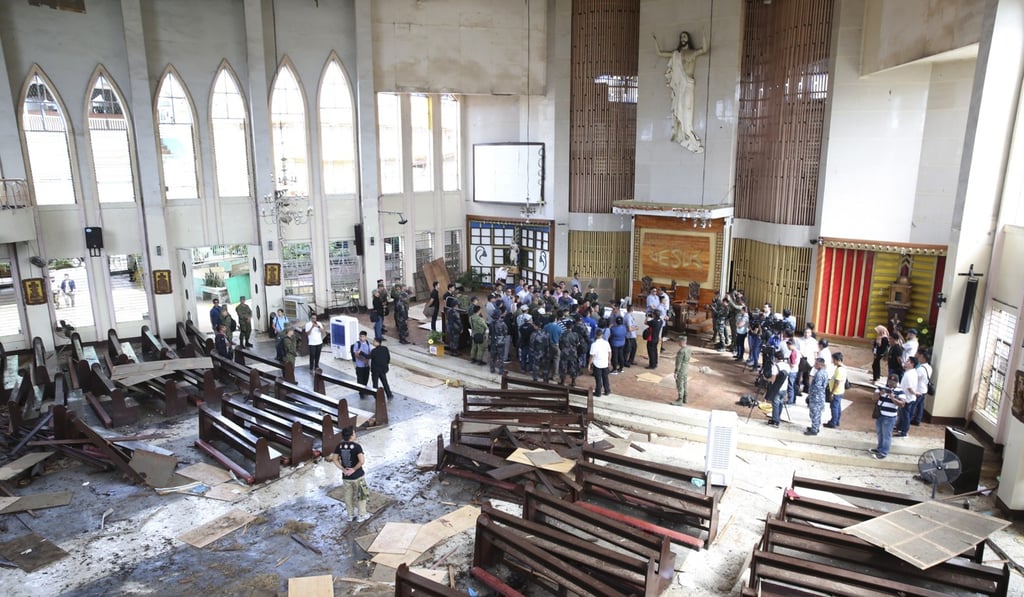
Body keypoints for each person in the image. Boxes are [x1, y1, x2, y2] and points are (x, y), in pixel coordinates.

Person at [653, 30, 709, 152]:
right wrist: (655, 41)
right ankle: (679, 132)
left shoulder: (692, 53)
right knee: (678, 108)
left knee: (687, 109)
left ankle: (687, 132)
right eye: (681, 37)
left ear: (688, 38)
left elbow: (704, 50)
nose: (683, 38)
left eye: (684, 36)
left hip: (688, 84)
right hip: (679, 86)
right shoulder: (676, 54)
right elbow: (660, 53)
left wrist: (704, 34)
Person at [326, 427, 370, 522]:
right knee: (361, 495)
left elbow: (334, 459)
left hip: (346, 477)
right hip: (358, 476)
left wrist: (343, 469)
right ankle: (362, 514)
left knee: (348, 496)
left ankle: (350, 515)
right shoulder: (357, 447)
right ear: (351, 436)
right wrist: (353, 469)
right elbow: (362, 461)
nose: (355, 435)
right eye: (354, 433)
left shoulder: (339, 446)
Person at [871, 374, 905, 460]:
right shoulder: (881, 387)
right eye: (890, 382)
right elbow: (873, 398)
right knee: (879, 433)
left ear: (897, 383)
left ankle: (884, 452)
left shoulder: (900, 391)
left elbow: (902, 404)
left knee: (887, 435)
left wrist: (892, 397)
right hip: (880, 414)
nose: (891, 384)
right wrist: (880, 393)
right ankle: (879, 448)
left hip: (889, 417)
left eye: (893, 383)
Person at [895, 356, 920, 438]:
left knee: (905, 416)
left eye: (908, 361)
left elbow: (909, 388)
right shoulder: (911, 372)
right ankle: (900, 428)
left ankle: (904, 432)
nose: (906, 362)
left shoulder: (909, 374)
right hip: (909, 398)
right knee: (903, 415)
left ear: (912, 364)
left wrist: (915, 393)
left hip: (907, 398)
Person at [805, 357, 828, 435]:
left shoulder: (819, 374)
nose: (814, 365)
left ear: (820, 365)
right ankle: (815, 427)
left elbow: (817, 387)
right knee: (817, 413)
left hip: (816, 397)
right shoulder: (824, 372)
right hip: (819, 396)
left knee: (815, 413)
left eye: (816, 363)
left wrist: (810, 395)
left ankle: (814, 429)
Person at [765, 350, 789, 428]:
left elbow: (773, 379)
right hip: (784, 388)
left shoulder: (776, 367)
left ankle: (775, 421)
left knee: (775, 404)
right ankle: (777, 417)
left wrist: (766, 379)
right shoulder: (787, 366)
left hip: (777, 388)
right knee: (780, 404)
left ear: (776, 358)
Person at [824, 352, 847, 429]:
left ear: (838, 360)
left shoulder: (839, 370)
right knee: (837, 407)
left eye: (834, 360)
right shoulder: (842, 368)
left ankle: (833, 422)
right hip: (840, 391)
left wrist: (832, 393)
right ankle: (836, 421)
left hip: (836, 392)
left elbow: (837, 382)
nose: (832, 361)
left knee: (834, 407)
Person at [589, 328, 612, 398]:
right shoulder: (606, 343)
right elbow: (610, 352)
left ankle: (598, 392)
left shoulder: (594, 344)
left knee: (598, 379)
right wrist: (609, 361)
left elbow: (592, 356)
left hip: (597, 364)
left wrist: (589, 364)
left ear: (596, 335)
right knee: (605, 378)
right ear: (602, 335)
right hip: (605, 363)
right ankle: (607, 390)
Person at [912, 350, 933, 425]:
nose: (919, 358)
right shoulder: (929, 367)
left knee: (913, 406)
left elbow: (915, 378)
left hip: (918, 389)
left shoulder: (920, 369)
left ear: (924, 359)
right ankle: (918, 419)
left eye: (921, 357)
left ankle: (911, 418)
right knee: (920, 406)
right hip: (924, 389)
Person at [672, 335, 692, 405]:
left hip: (681, 369)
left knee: (680, 384)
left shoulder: (681, 351)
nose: (678, 343)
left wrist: (676, 372)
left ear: (681, 342)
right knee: (685, 383)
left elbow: (678, 363)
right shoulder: (689, 349)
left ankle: (680, 399)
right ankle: (685, 398)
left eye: (679, 341)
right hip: (686, 368)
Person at [488, 308, 508, 375]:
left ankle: (492, 369)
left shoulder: (491, 323)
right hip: (500, 341)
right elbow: (505, 332)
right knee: (501, 357)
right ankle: (500, 371)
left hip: (493, 341)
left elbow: (490, 333)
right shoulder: (503, 324)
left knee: (492, 356)